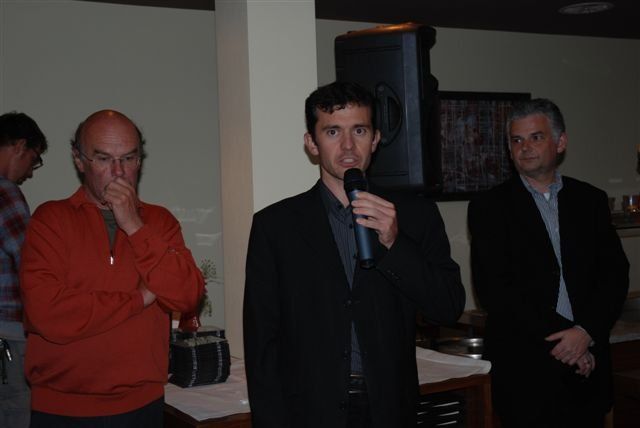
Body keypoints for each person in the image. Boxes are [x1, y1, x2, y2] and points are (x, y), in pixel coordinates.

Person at [243, 81, 465, 428]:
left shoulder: (415, 215)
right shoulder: (276, 226)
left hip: (389, 407)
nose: (348, 145)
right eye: (333, 131)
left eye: (359, 130)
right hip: (307, 410)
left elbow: (447, 307)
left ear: (375, 139)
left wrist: (395, 243)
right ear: (312, 143)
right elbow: (262, 342)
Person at [20, 110, 205, 427]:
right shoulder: (50, 220)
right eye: (104, 159)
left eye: (128, 158)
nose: (119, 172)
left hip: (143, 406)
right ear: (79, 161)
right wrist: (138, 299)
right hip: (61, 410)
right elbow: (46, 313)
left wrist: (134, 225)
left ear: (140, 161)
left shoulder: (159, 222)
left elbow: (188, 296)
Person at [468, 98, 629, 428]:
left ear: (561, 142)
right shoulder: (489, 207)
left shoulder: (591, 200)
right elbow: (495, 290)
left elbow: (614, 275)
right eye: (516, 140)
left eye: (536, 137)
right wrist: (569, 343)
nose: (525, 148)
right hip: (526, 373)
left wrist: (585, 332)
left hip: (588, 371)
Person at [0, 112, 47, 428]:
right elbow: (31, 265)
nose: (30, 172)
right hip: (8, 335)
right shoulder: (6, 192)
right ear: (19, 146)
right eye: (34, 159)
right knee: (17, 414)